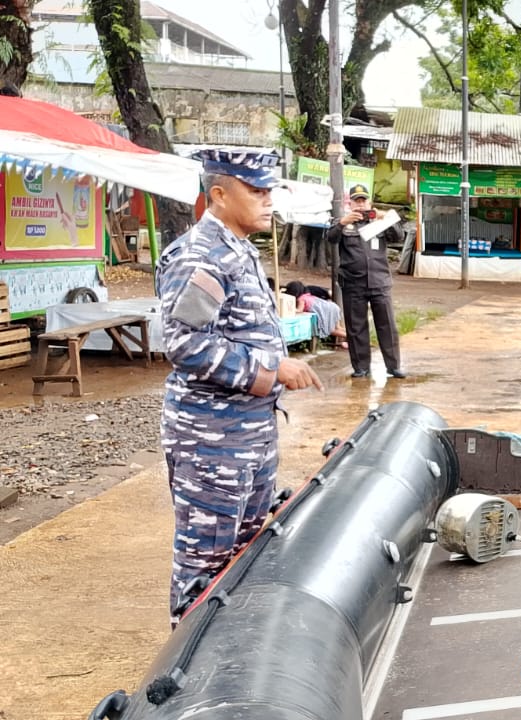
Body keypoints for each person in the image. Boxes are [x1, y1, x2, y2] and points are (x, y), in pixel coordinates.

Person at [158, 149, 322, 627]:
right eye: (256, 191)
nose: (268, 201)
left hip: (245, 434)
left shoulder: (238, 250)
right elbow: (184, 343)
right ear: (219, 195)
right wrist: (272, 371)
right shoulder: (201, 256)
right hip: (212, 439)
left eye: (270, 190)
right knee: (205, 567)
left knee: (243, 555)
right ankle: (184, 683)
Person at [326, 183, 406, 379]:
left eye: (363, 201)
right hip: (353, 284)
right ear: (350, 203)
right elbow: (331, 238)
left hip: (379, 282)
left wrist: (385, 218)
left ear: (369, 202)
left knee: (387, 325)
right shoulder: (342, 222)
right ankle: (361, 367)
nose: (361, 205)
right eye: (357, 201)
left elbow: (398, 236)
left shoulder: (378, 221)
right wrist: (342, 223)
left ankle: (393, 366)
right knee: (356, 327)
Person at [285, 280, 347, 347]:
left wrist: (290, 309)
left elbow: (299, 310)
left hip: (328, 311)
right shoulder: (307, 295)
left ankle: (350, 338)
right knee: (338, 327)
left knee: (331, 330)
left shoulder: (301, 299)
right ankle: (354, 335)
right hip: (333, 306)